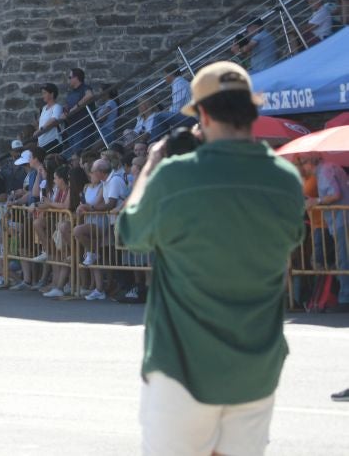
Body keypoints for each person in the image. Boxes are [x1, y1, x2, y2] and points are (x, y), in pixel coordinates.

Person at [118, 62, 304, 456]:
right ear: (251, 110)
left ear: (201, 115)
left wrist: (152, 165)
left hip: (182, 365)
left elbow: (131, 232)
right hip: (255, 365)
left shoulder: (176, 177)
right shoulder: (285, 179)